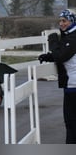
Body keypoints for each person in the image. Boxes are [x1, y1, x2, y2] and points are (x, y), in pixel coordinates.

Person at [38, 8, 76, 144]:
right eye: (60, 21)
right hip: (71, 86)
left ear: (71, 22)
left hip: (74, 86)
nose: (61, 23)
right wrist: (47, 57)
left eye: (64, 21)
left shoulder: (72, 37)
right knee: (70, 123)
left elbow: (61, 55)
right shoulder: (68, 36)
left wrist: (52, 41)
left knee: (71, 123)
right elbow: (62, 54)